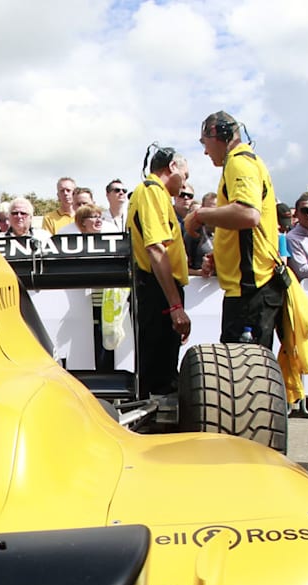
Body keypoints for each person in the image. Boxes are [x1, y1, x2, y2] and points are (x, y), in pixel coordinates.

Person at [184, 110, 286, 348]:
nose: (205, 151)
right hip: (251, 287)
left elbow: (247, 214)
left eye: (204, 142)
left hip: (252, 289)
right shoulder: (245, 161)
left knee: (245, 377)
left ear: (216, 134)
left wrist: (198, 215)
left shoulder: (239, 162)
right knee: (246, 373)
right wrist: (220, 258)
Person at [128, 147, 193, 397]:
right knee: (159, 373)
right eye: (185, 175)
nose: (186, 183)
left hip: (159, 290)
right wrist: (176, 306)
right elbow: (156, 249)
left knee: (162, 367)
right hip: (158, 291)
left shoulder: (156, 194)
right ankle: (153, 428)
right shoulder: (151, 191)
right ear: (172, 167)